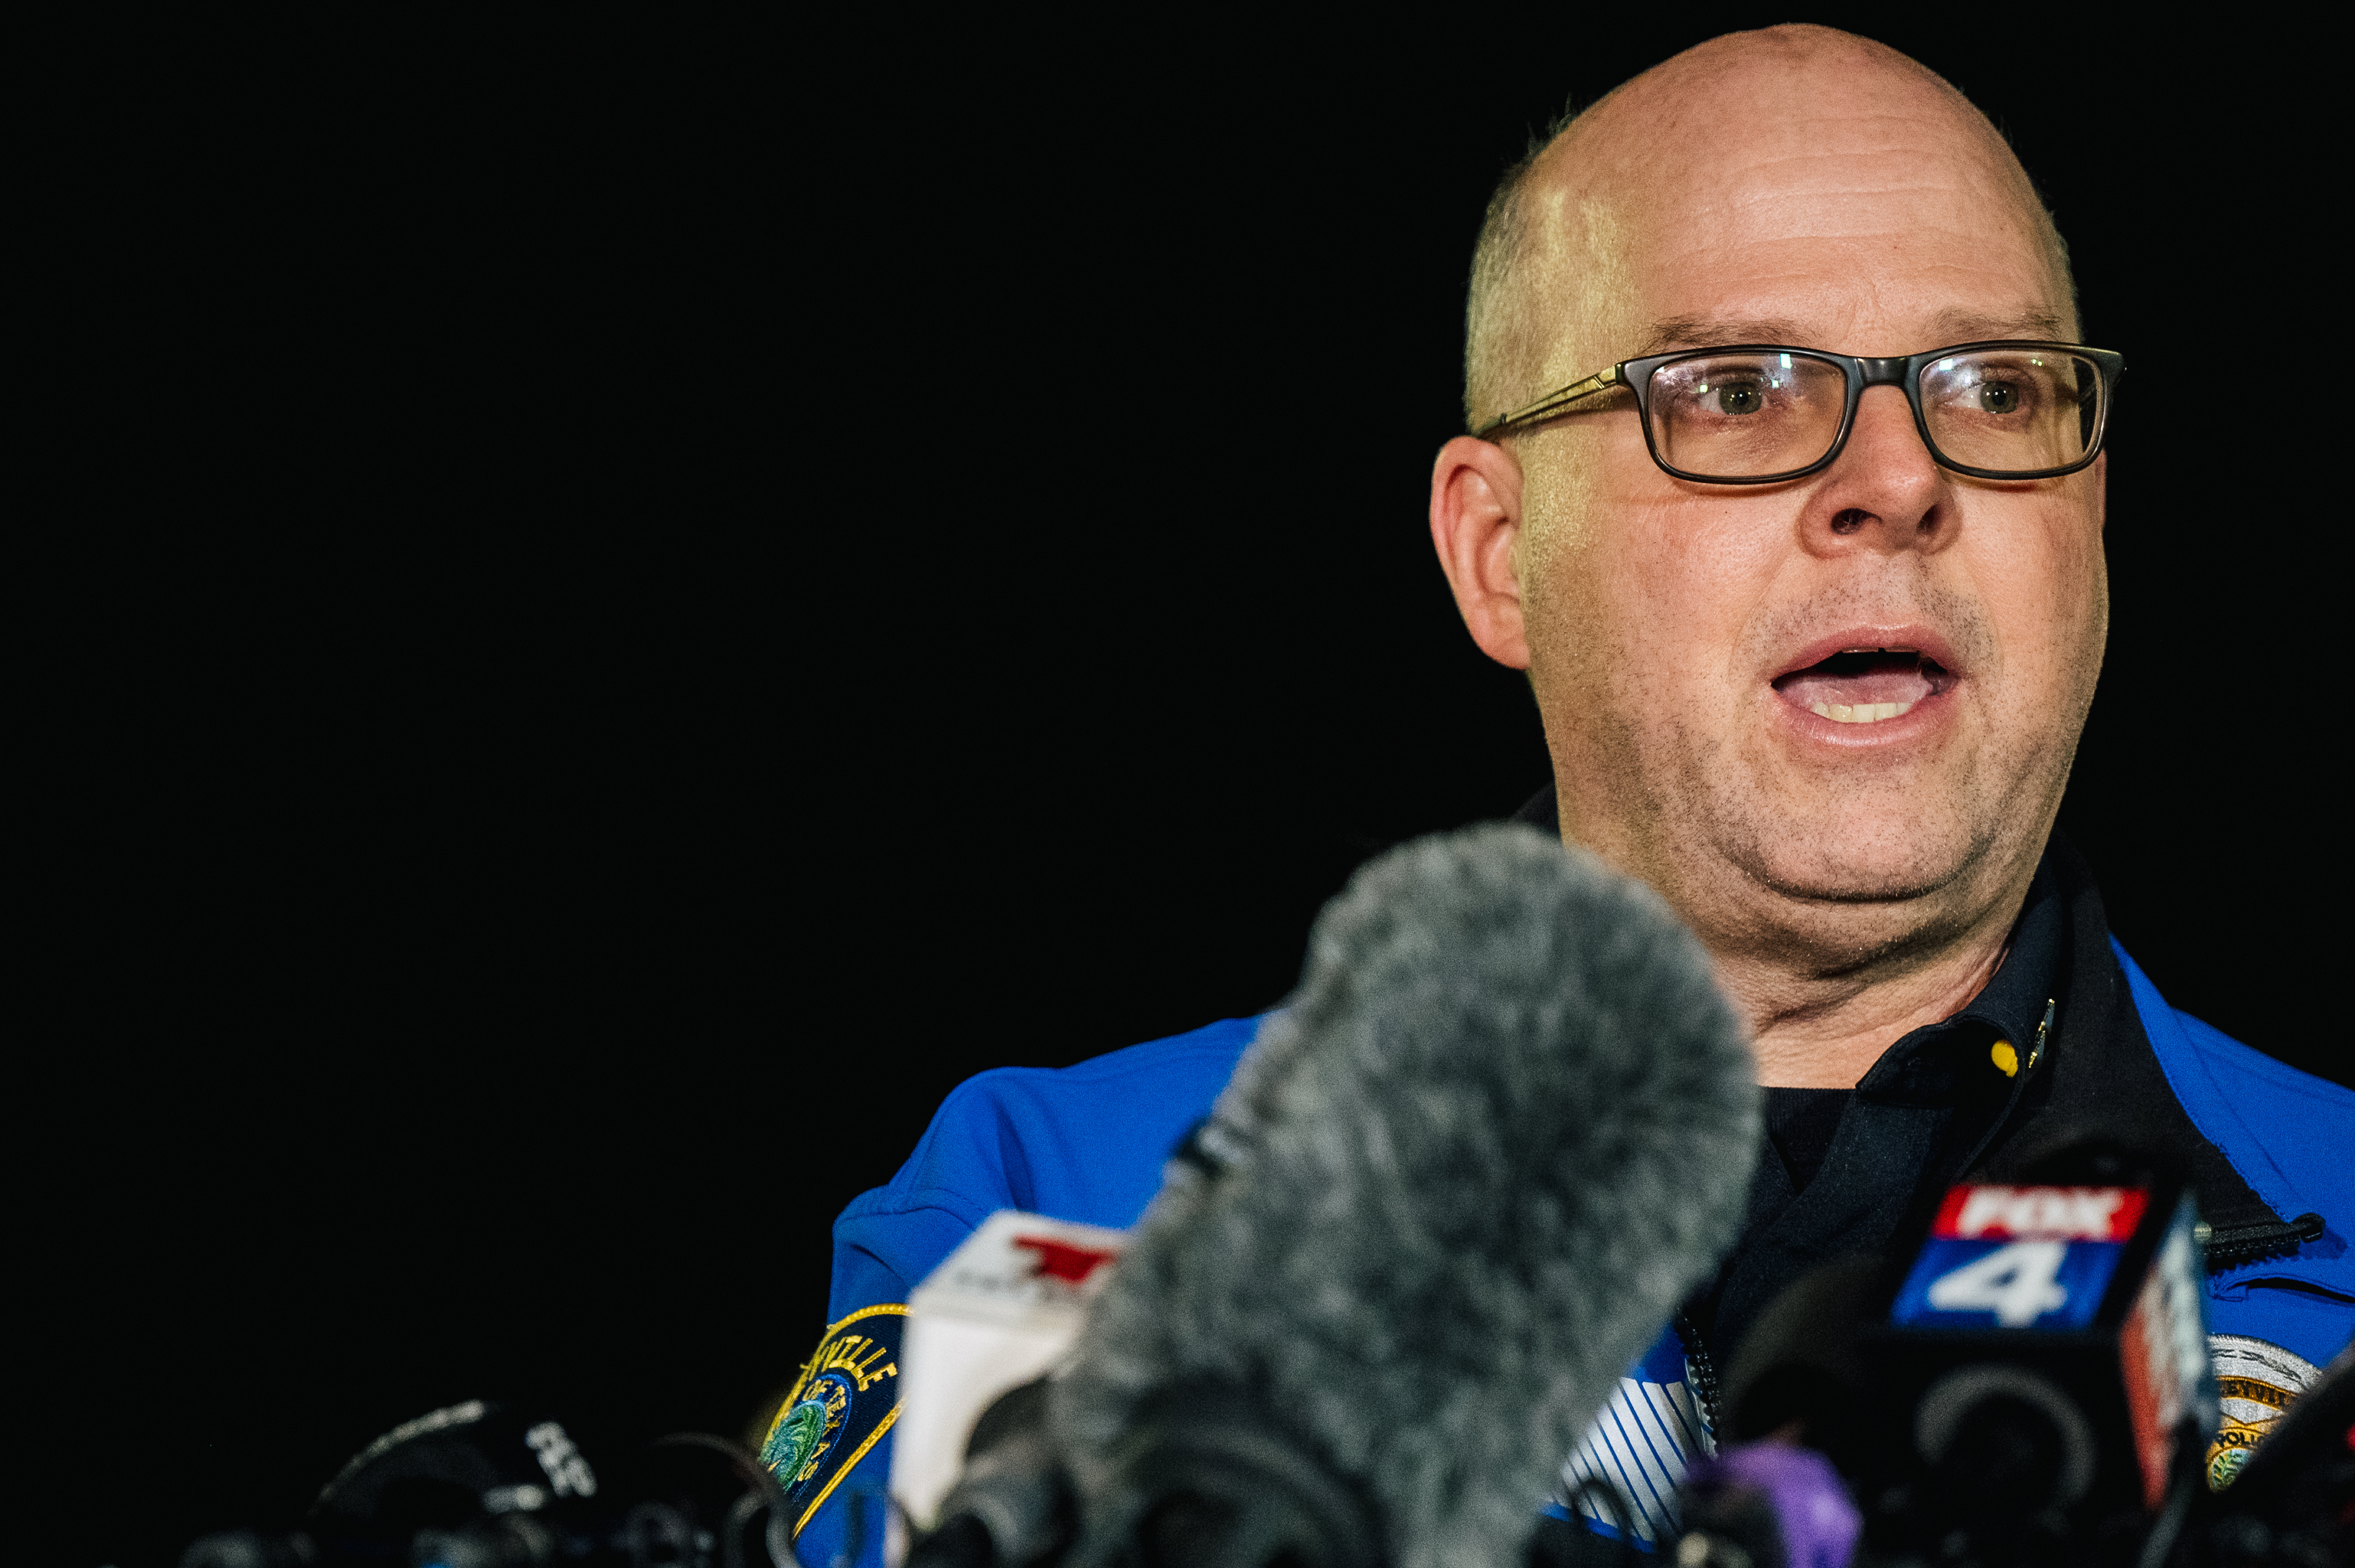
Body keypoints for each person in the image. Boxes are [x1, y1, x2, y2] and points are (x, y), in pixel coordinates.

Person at [771, 27, 2353, 1565]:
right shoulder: (1049, 1197)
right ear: (1499, 551)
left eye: (1998, 388)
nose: (1902, 478)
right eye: (1738, 388)